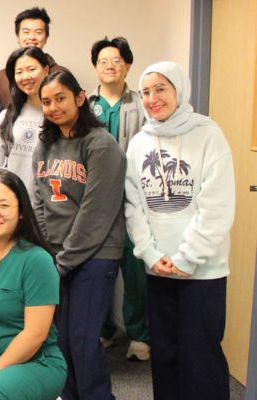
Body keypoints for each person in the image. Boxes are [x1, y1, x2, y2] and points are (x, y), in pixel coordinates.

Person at [125, 61, 234, 400]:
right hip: (159, 269)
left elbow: (216, 206)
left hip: (203, 271)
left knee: (201, 357)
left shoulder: (208, 133)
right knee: (166, 356)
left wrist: (188, 257)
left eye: (161, 89)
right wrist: (151, 255)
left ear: (179, 90)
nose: (152, 98)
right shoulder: (139, 142)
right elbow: (133, 207)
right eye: (145, 92)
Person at [34, 70, 126, 400]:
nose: (54, 106)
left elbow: (96, 214)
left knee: (85, 344)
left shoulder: (101, 145)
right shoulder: (45, 145)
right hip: (55, 257)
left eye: (61, 98)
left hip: (95, 257)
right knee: (61, 342)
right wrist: (47, 251)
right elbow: (39, 201)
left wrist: (62, 261)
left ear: (80, 97)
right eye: (46, 101)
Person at [0, 170, 66, 400]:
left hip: (38, 363)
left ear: (21, 213)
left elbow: (35, 335)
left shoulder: (37, 260)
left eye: (4, 205)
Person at [88, 36, 151, 361]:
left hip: (133, 199)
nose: (110, 66)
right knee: (96, 267)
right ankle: (103, 330)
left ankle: (140, 335)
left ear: (127, 65)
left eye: (116, 60)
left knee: (135, 266)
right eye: (103, 61)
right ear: (95, 68)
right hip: (96, 200)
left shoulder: (143, 104)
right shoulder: (85, 106)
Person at [0, 46, 50, 198]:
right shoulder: (6, 116)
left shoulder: (58, 115)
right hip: (13, 203)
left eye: (31, 69)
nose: (26, 77)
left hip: (49, 205)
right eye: (19, 72)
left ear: (46, 70)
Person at [0, 7, 68, 108]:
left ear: (46, 37)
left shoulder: (61, 74)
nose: (32, 37)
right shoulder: (1, 78)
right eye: (26, 32)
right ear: (17, 36)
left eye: (38, 32)